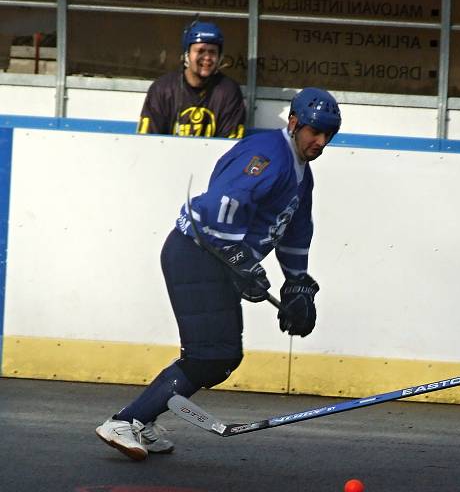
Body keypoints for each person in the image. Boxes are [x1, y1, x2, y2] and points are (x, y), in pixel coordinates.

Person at [97, 87, 342, 460]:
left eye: (328, 134)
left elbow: (295, 231)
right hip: (195, 256)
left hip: (213, 262)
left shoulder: (301, 174)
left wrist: (297, 284)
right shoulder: (267, 157)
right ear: (293, 123)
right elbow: (217, 207)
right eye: (314, 131)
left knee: (222, 355)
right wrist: (241, 259)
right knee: (211, 354)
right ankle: (126, 421)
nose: (320, 141)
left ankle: (140, 422)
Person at [136, 20, 246, 139]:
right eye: (200, 51)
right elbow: (147, 140)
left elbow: (230, 146)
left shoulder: (229, 92)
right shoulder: (162, 89)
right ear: (187, 55)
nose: (207, 57)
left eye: (212, 52)